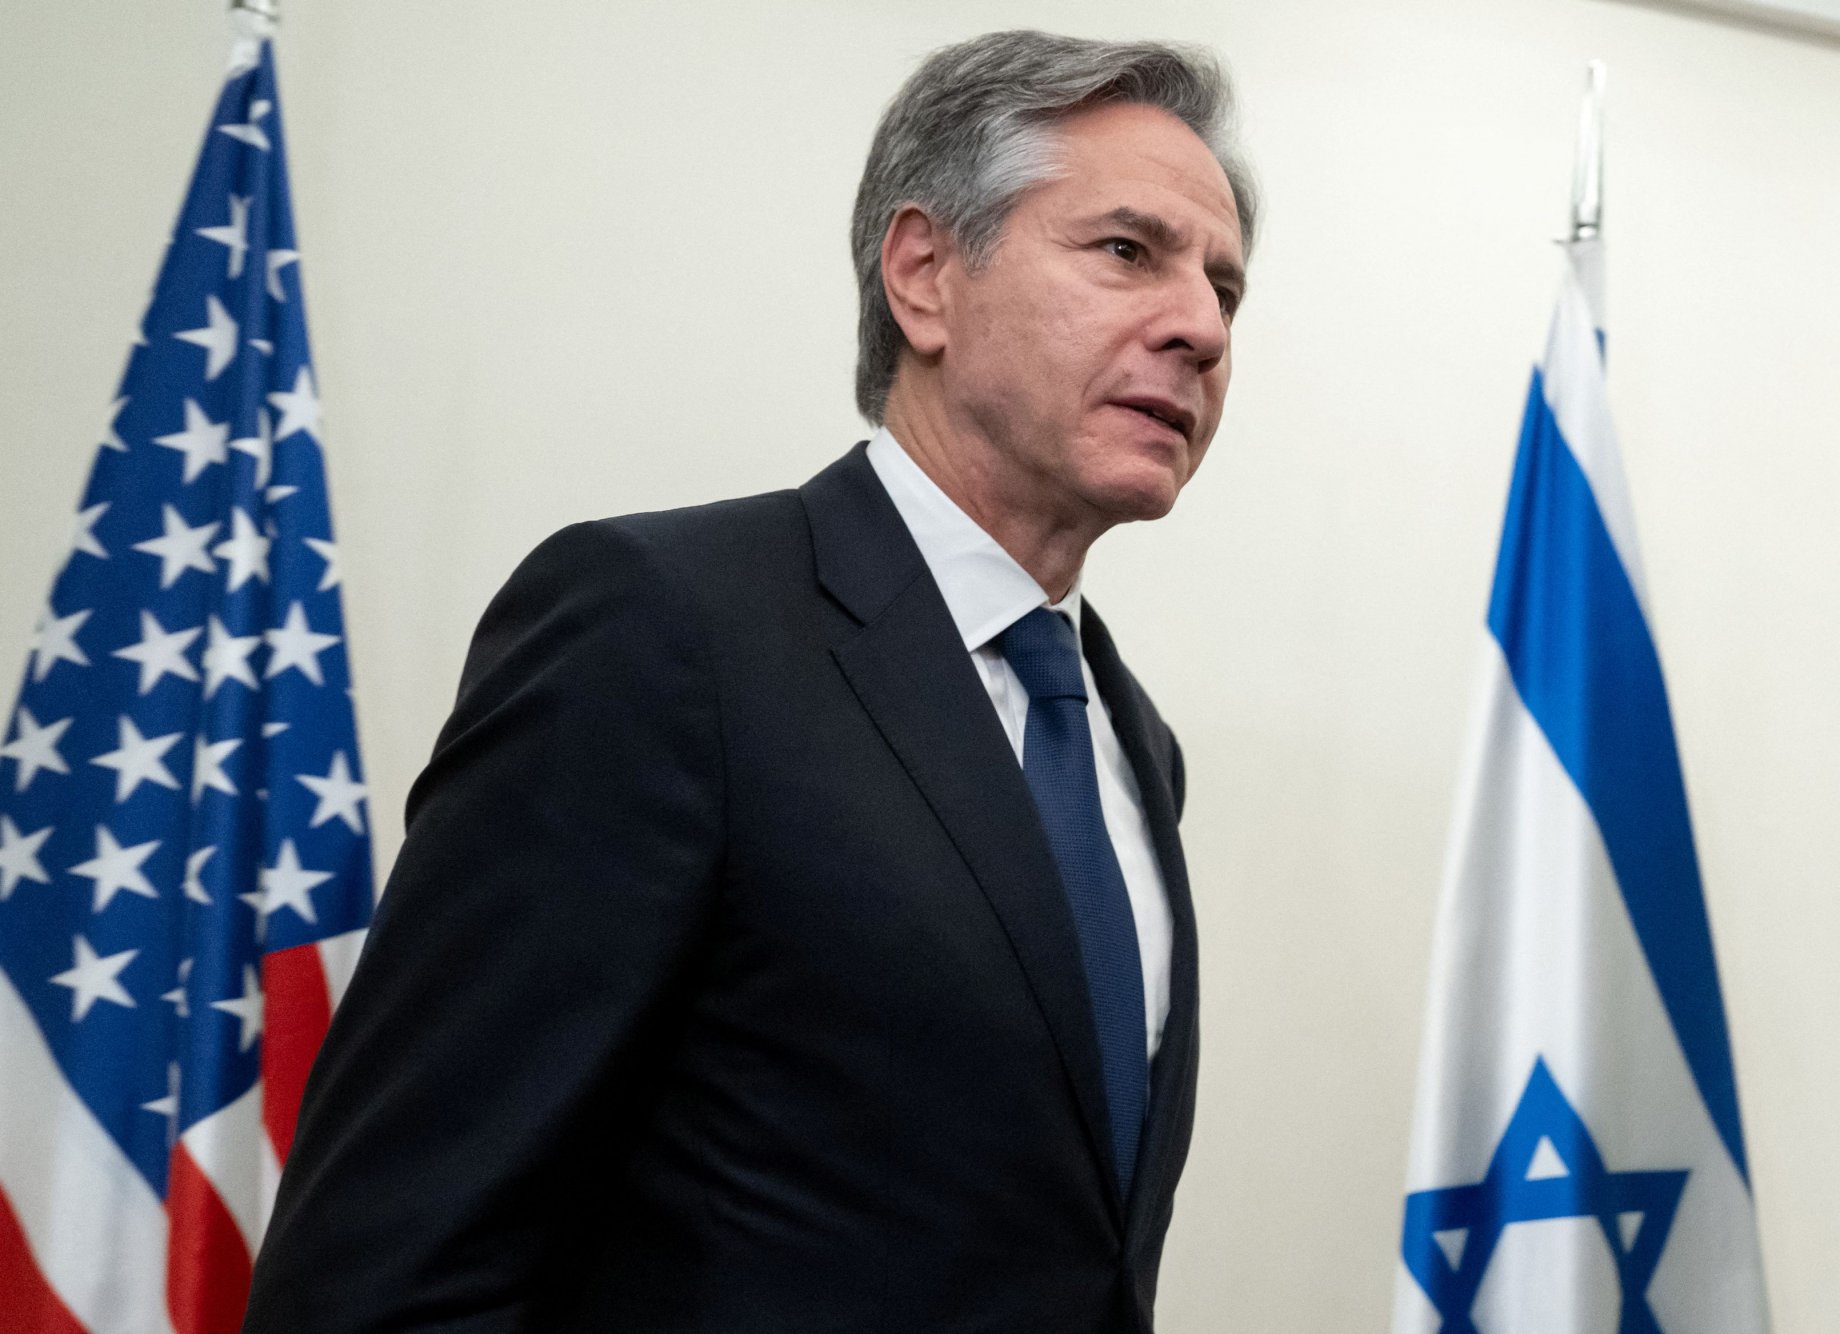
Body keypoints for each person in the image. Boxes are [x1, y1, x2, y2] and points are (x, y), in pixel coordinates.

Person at [243, 28, 1255, 1334]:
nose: (1200, 328)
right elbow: (385, 1265)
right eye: (1127, 251)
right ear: (925, 276)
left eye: (1225, 288)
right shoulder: (661, 630)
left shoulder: (1130, 742)